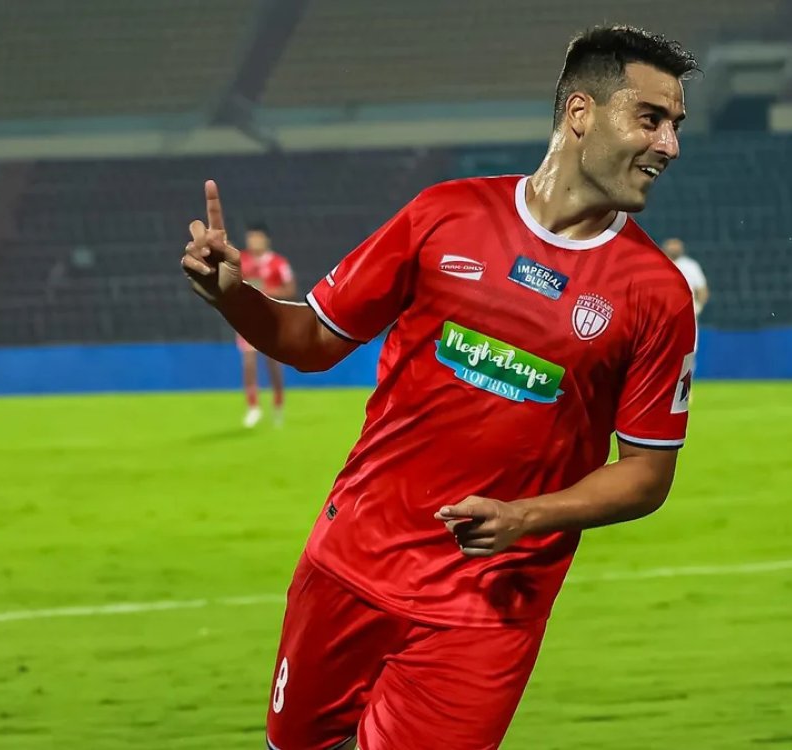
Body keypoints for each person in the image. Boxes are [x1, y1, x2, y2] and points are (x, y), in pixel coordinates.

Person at [182, 25, 698, 750]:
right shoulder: (445, 215)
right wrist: (234, 298)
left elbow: (647, 473)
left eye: (675, 125)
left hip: (488, 607)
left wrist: (526, 517)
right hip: (349, 566)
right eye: (650, 118)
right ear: (581, 113)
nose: (669, 144)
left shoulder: (657, 295)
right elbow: (313, 341)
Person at [236, 222, 295, 427]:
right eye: (250, 238)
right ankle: (253, 407)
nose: (253, 242)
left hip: (272, 320)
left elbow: (290, 290)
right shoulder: (240, 260)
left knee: (273, 364)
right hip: (249, 320)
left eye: (257, 238)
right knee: (249, 363)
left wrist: (266, 291)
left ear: (265, 239)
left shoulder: (278, 263)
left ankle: (278, 403)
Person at [662, 236, 708, 320]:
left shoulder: (691, 265)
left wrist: (697, 308)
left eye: (677, 244)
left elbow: (702, 289)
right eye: (672, 244)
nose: (674, 247)